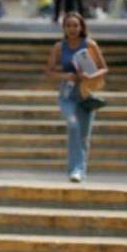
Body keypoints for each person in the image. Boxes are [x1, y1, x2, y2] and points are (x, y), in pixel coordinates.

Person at [45, 12, 109, 183]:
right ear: (64, 28)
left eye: (75, 25)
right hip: (67, 95)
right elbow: (49, 71)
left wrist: (90, 76)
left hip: (85, 93)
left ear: (81, 27)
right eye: (68, 25)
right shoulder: (59, 47)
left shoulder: (90, 44)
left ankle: (79, 171)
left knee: (83, 136)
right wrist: (65, 76)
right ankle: (75, 169)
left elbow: (104, 68)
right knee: (73, 125)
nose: (72, 29)